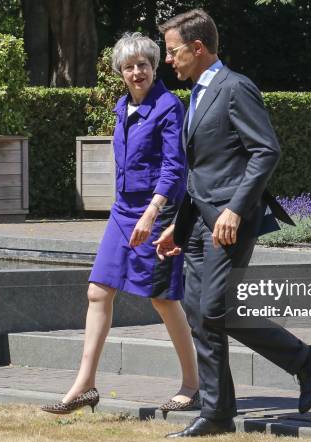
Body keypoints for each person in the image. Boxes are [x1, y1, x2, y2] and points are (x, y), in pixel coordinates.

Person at [153, 10, 311, 437]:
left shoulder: (235, 89)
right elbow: (202, 171)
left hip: (229, 223)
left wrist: (234, 208)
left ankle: (300, 362)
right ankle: (224, 409)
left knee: (212, 309)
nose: (169, 61)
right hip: (197, 223)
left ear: (198, 48)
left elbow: (265, 151)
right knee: (202, 312)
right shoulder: (194, 95)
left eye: (173, 52)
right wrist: (176, 226)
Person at [41, 32, 199, 416]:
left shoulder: (168, 108)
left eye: (142, 64)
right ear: (121, 72)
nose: (136, 72)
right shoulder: (121, 106)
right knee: (98, 291)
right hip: (122, 211)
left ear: (153, 65)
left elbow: (174, 168)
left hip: (157, 213)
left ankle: (193, 385)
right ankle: (85, 385)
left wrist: (153, 212)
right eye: (128, 67)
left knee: (163, 299)